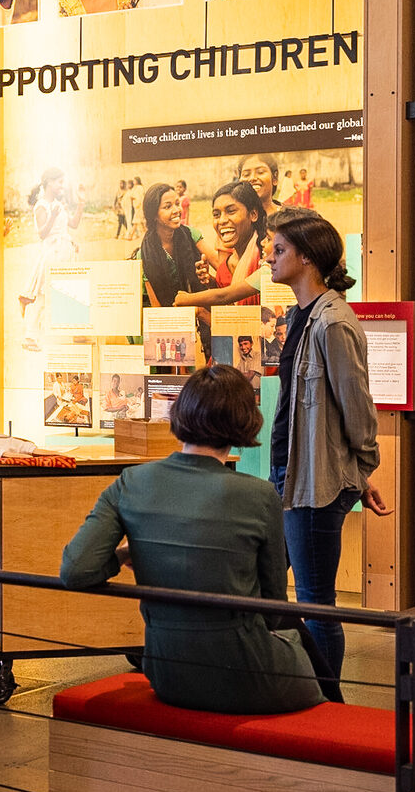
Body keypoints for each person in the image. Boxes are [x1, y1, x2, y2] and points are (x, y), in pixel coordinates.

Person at [61, 365, 329, 714]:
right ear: (246, 420)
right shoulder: (260, 495)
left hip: (168, 672)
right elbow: (273, 607)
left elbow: (76, 570)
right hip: (246, 676)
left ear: (180, 414)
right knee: (309, 653)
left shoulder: (131, 482)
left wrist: (127, 553)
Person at [265, 208, 392, 678]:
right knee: (274, 590)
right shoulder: (301, 315)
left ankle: (327, 703)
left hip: (315, 485)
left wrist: (360, 472)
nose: (270, 258)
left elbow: (357, 408)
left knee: (317, 602)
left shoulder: (332, 323)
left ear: (308, 258)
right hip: (290, 476)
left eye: (279, 250)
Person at [173, 181, 268, 308]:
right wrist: (210, 281)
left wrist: (187, 299)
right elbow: (230, 304)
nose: (222, 220)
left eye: (231, 211)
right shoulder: (224, 268)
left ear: (253, 214)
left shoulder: (267, 257)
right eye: (216, 215)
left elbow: (223, 296)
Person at [19, 167, 82, 351]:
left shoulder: (58, 204)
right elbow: (42, 234)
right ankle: (30, 336)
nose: (62, 185)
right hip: (52, 253)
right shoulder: (42, 205)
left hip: (65, 251)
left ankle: (78, 331)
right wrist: (53, 216)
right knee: (45, 295)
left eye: (63, 181)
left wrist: (81, 204)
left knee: (72, 290)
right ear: (49, 183)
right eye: (59, 182)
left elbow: (73, 224)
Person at [135, 181, 217, 307]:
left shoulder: (191, 234)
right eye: (167, 207)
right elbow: (156, 305)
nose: (177, 210)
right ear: (154, 215)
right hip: (170, 316)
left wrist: (208, 278)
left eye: (177, 204)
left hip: (200, 308)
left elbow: (220, 266)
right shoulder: (146, 254)